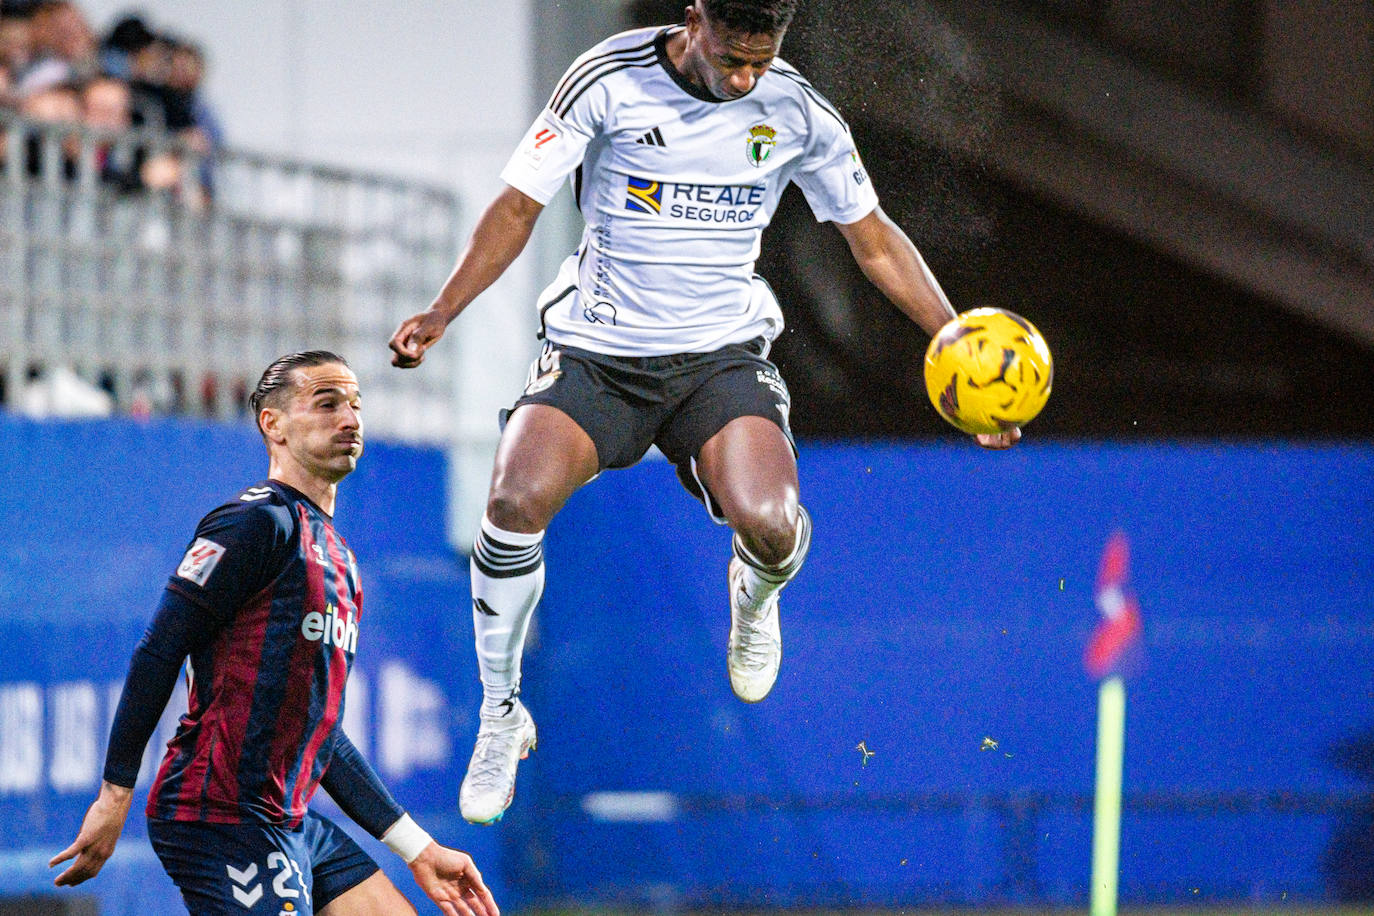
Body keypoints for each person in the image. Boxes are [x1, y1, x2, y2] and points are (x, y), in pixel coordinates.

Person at [388, 0, 1021, 827]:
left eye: (761, 59)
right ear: (696, 20)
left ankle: (754, 595)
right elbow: (519, 207)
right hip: (599, 354)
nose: (744, 77)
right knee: (510, 506)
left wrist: (957, 340)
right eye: (732, 58)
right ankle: (502, 713)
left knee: (771, 520)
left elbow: (872, 239)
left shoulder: (794, 109)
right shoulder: (607, 79)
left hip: (720, 360)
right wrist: (443, 310)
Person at [50, 351, 499, 916]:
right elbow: (159, 650)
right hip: (220, 814)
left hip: (288, 817)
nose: (350, 420)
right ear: (274, 424)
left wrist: (418, 849)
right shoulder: (254, 522)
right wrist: (114, 794)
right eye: (328, 404)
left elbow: (316, 728)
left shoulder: (340, 558)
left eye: (356, 405)